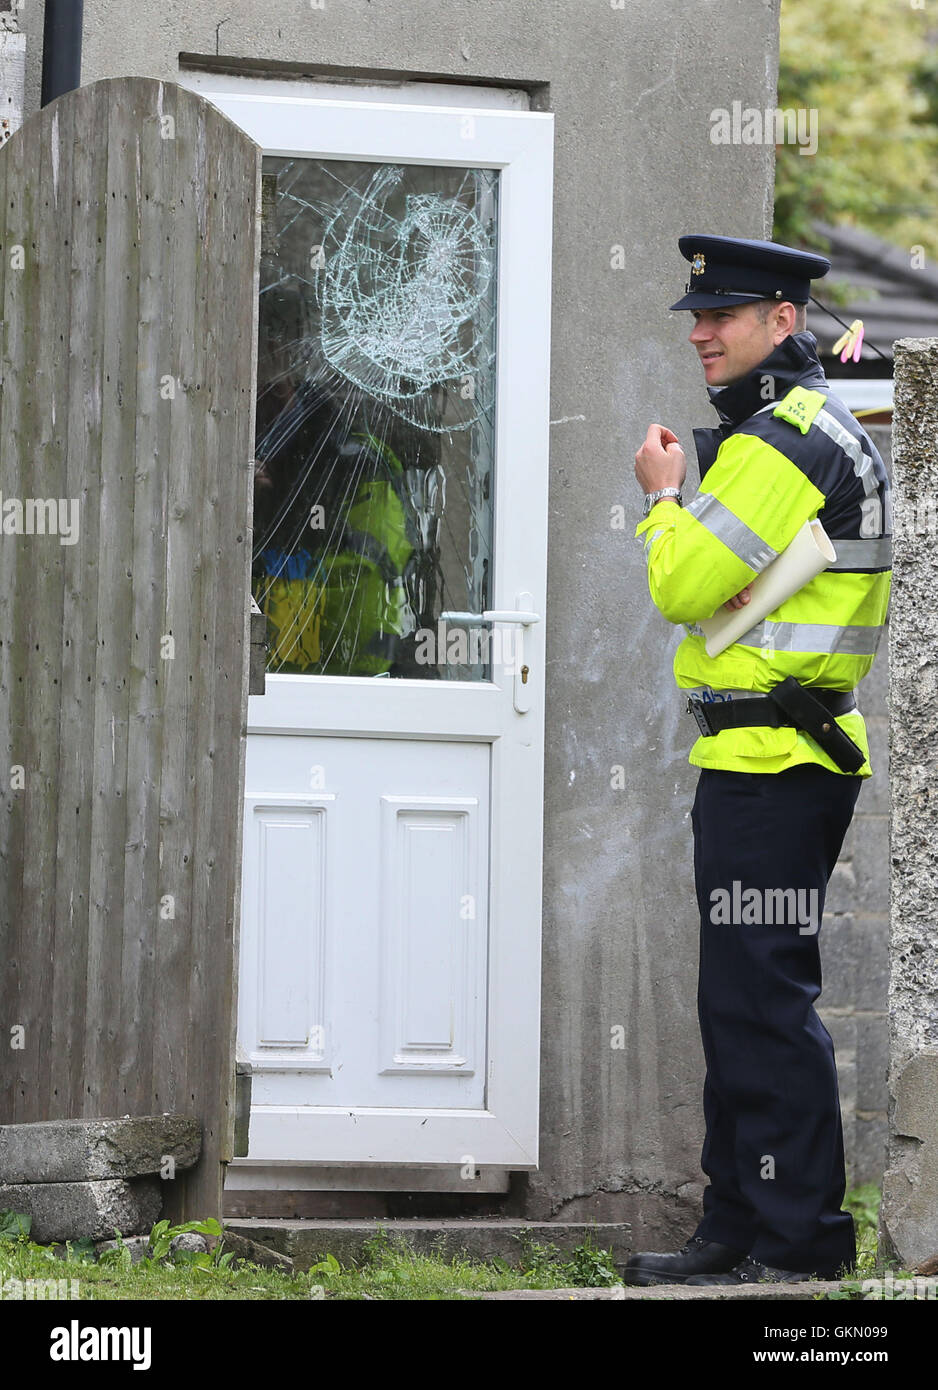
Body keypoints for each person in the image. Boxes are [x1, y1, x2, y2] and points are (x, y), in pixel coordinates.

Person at [624, 235, 891, 1286]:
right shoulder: (787, 430)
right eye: (695, 314)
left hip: (780, 760)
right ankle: (734, 1226)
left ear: (781, 321)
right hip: (768, 757)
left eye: (719, 315)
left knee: (760, 1002)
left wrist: (659, 497)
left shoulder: (783, 438)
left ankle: (797, 1247)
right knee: (735, 1000)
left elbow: (683, 586)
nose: (697, 331)